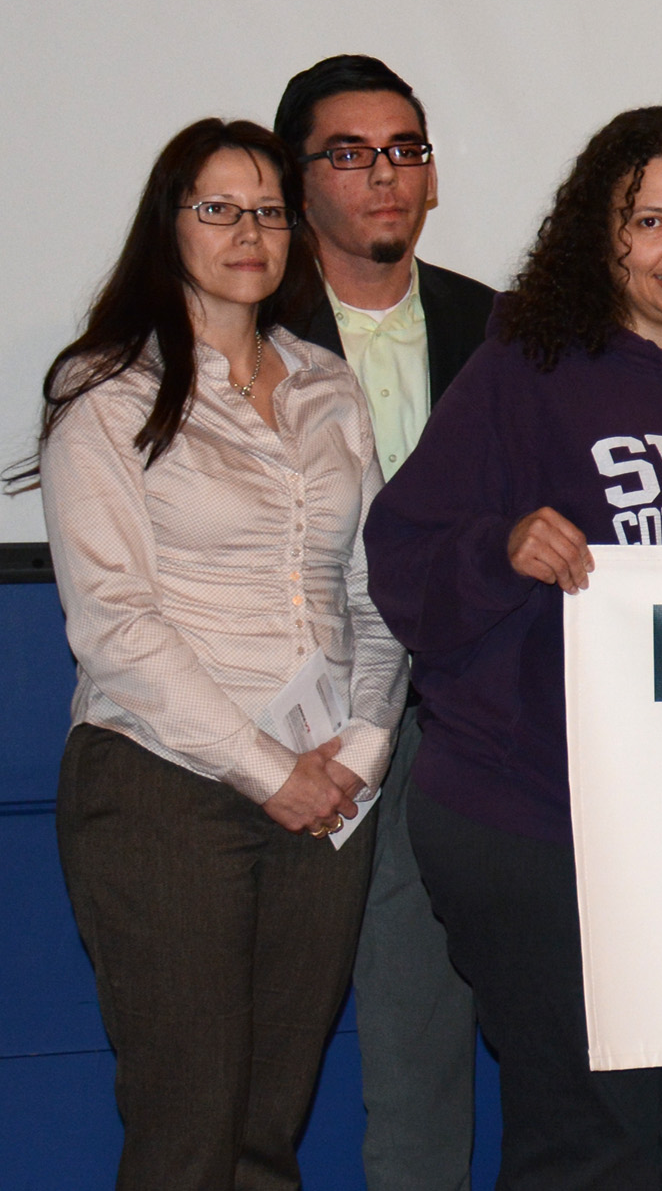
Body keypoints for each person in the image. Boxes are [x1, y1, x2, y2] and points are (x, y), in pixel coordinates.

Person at [366, 106, 662, 1190]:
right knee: (590, 1136)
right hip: (538, 820)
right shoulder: (526, 370)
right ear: (602, 235)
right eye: (652, 223)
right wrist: (503, 547)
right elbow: (401, 558)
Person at [28, 117, 406, 1188]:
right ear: (170, 224)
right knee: (187, 1131)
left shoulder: (328, 386)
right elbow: (112, 621)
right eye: (219, 208)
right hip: (163, 782)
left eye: (271, 210)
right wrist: (264, 766)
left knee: (265, 1128)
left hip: (327, 790)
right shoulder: (105, 390)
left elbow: (377, 593)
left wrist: (364, 747)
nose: (251, 230)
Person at [272, 51, 498, 1191]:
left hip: (455, 724)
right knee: (253, 1057)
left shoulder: (497, 329)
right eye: (350, 154)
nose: (385, 177)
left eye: (405, 151)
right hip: (283, 729)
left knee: (424, 1036)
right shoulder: (239, 331)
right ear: (295, 178)